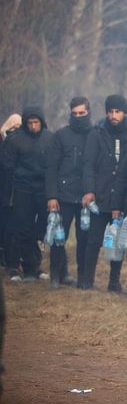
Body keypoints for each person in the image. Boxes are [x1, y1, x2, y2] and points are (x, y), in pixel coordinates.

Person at [81, 94, 127, 291]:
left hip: (121, 197)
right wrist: (89, 190)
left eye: (118, 111)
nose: (114, 115)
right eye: (111, 111)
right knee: (94, 240)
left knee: (119, 242)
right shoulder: (96, 134)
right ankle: (87, 280)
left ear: (124, 113)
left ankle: (114, 281)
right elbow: (88, 164)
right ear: (106, 113)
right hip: (100, 195)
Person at [0, 106, 53, 282]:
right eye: (29, 123)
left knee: (41, 229)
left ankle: (35, 265)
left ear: (42, 122)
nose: (33, 126)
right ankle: (28, 268)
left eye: (36, 122)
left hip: (43, 188)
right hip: (22, 189)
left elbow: (54, 163)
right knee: (23, 228)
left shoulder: (49, 138)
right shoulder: (15, 140)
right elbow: (8, 165)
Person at [45, 97, 92, 289]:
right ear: (70, 113)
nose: (79, 116)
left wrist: (92, 192)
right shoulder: (61, 135)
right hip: (62, 196)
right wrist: (52, 196)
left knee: (84, 240)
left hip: (85, 198)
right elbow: (51, 168)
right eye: (75, 113)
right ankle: (56, 275)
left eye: (82, 113)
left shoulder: (95, 134)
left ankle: (82, 278)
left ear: (88, 112)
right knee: (58, 238)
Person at [0, 114, 22, 268]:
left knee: (14, 227)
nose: (15, 131)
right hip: (4, 189)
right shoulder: (3, 141)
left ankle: (13, 257)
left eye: (19, 128)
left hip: (16, 192)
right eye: (12, 127)